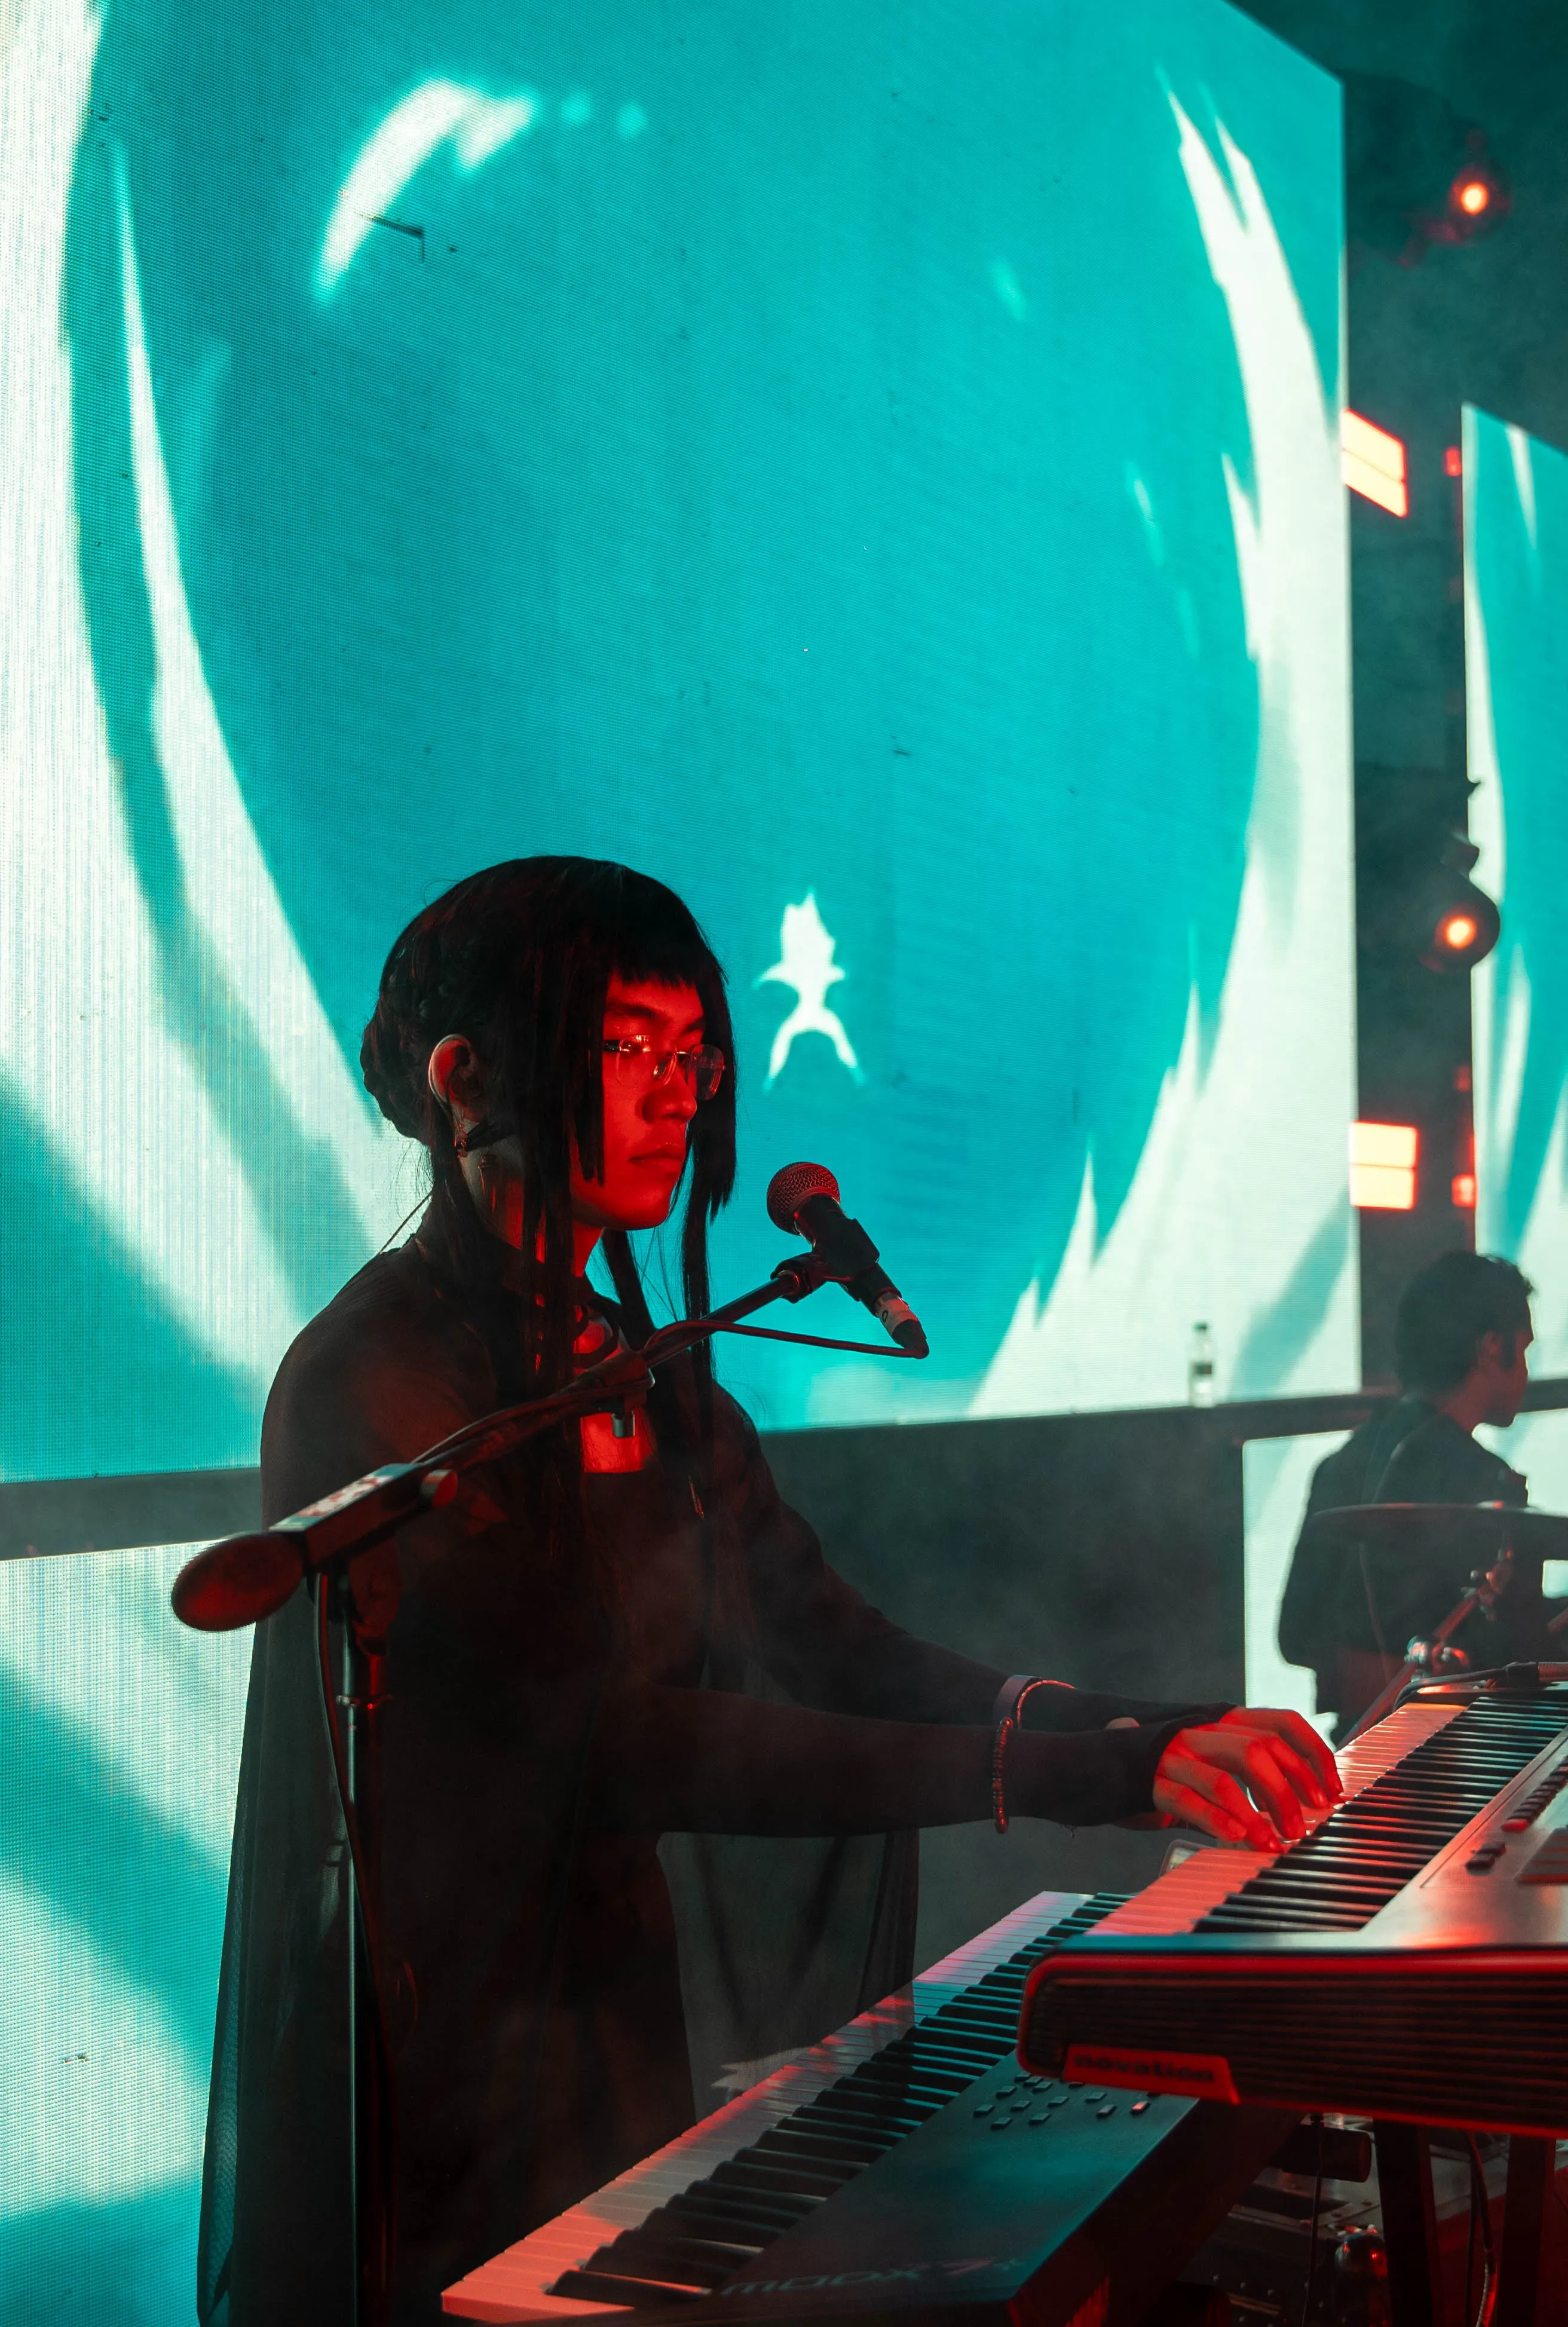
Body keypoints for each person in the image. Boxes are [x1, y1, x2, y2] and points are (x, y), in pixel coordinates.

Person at [199, 857, 1338, 2327]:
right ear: (463, 1073)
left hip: (601, 2012)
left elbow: (834, 1644)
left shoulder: (642, 1365)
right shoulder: (379, 1374)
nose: (677, 1093)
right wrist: (1071, 1769)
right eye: (625, 1048)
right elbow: (609, 1740)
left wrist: (1150, 1731)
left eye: (693, 1056)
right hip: (423, 2059)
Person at [1279, 1250, 1536, 1737]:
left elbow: (1294, 1637)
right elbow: (1519, 1659)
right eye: (1522, 1352)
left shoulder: (1339, 1465)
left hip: (1354, 1742)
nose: (1524, 1373)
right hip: (1458, 1745)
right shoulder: (1488, 1487)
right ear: (1489, 1348)